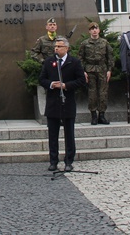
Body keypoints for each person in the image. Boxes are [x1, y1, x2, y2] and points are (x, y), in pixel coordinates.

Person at [39, 36, 86, 172]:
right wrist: (52, 84)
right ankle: (53, 161)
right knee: (53, 135)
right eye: (55, 46)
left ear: (66, 48)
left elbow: (81, 80)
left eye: (59, 46)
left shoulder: (74, 62)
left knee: (69, 134)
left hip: (67, 102)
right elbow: (42, 79)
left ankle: (68, 161)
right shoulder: (49, 62)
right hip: (53, 102)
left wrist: (66, 85)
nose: (56, 48)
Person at [78, 22, 113, 125]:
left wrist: (109, 70)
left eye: (96, 28)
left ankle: (101, 115)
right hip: (90, 69)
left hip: (102, 69)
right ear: (89, 31)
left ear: (99, 30)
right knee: (92, 93)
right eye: (92, 29)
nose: (94, 30)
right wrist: (83, 71)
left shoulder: (104, 42)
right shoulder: (85, 43)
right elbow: (80, 58)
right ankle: (93, 115)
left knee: (103, 93)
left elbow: (110, 57)